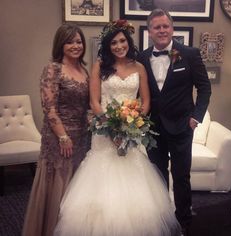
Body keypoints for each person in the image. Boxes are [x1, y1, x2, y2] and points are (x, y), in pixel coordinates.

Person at [54, 19, 181, 236]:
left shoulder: (139, 67)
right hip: (104, 133)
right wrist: (111, 128)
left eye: (122, 41)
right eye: (113, 43)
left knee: (134, 177)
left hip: (132, 132)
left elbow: (146, 102)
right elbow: (94, 102)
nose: (119, 46)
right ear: (108, 45)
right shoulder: (99, 66)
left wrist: (132, 125)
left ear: (128, 42)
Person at [137, 9, 211, 235]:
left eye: (165, 26)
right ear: (149, 32)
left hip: (181, 126)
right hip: (153, 128)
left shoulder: (189, 54)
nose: (161, 30)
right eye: (156, 27)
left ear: (172, 28)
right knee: (157, 176)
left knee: (181, 177)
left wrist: (196, 117)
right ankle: (162, 219)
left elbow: (204, 88)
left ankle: (184, 221)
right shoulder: (141, 57)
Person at [22, 23, 90, 236]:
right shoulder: (53, 68)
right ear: (61, 44)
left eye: (78, 41)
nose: (75, 46)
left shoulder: (84, 70)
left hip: (82, 136)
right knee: (59, 185)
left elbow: (86, 107)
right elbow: (49, 108)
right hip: (59, 137)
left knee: (75, 185)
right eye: (70, 41)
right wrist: (63, 137)